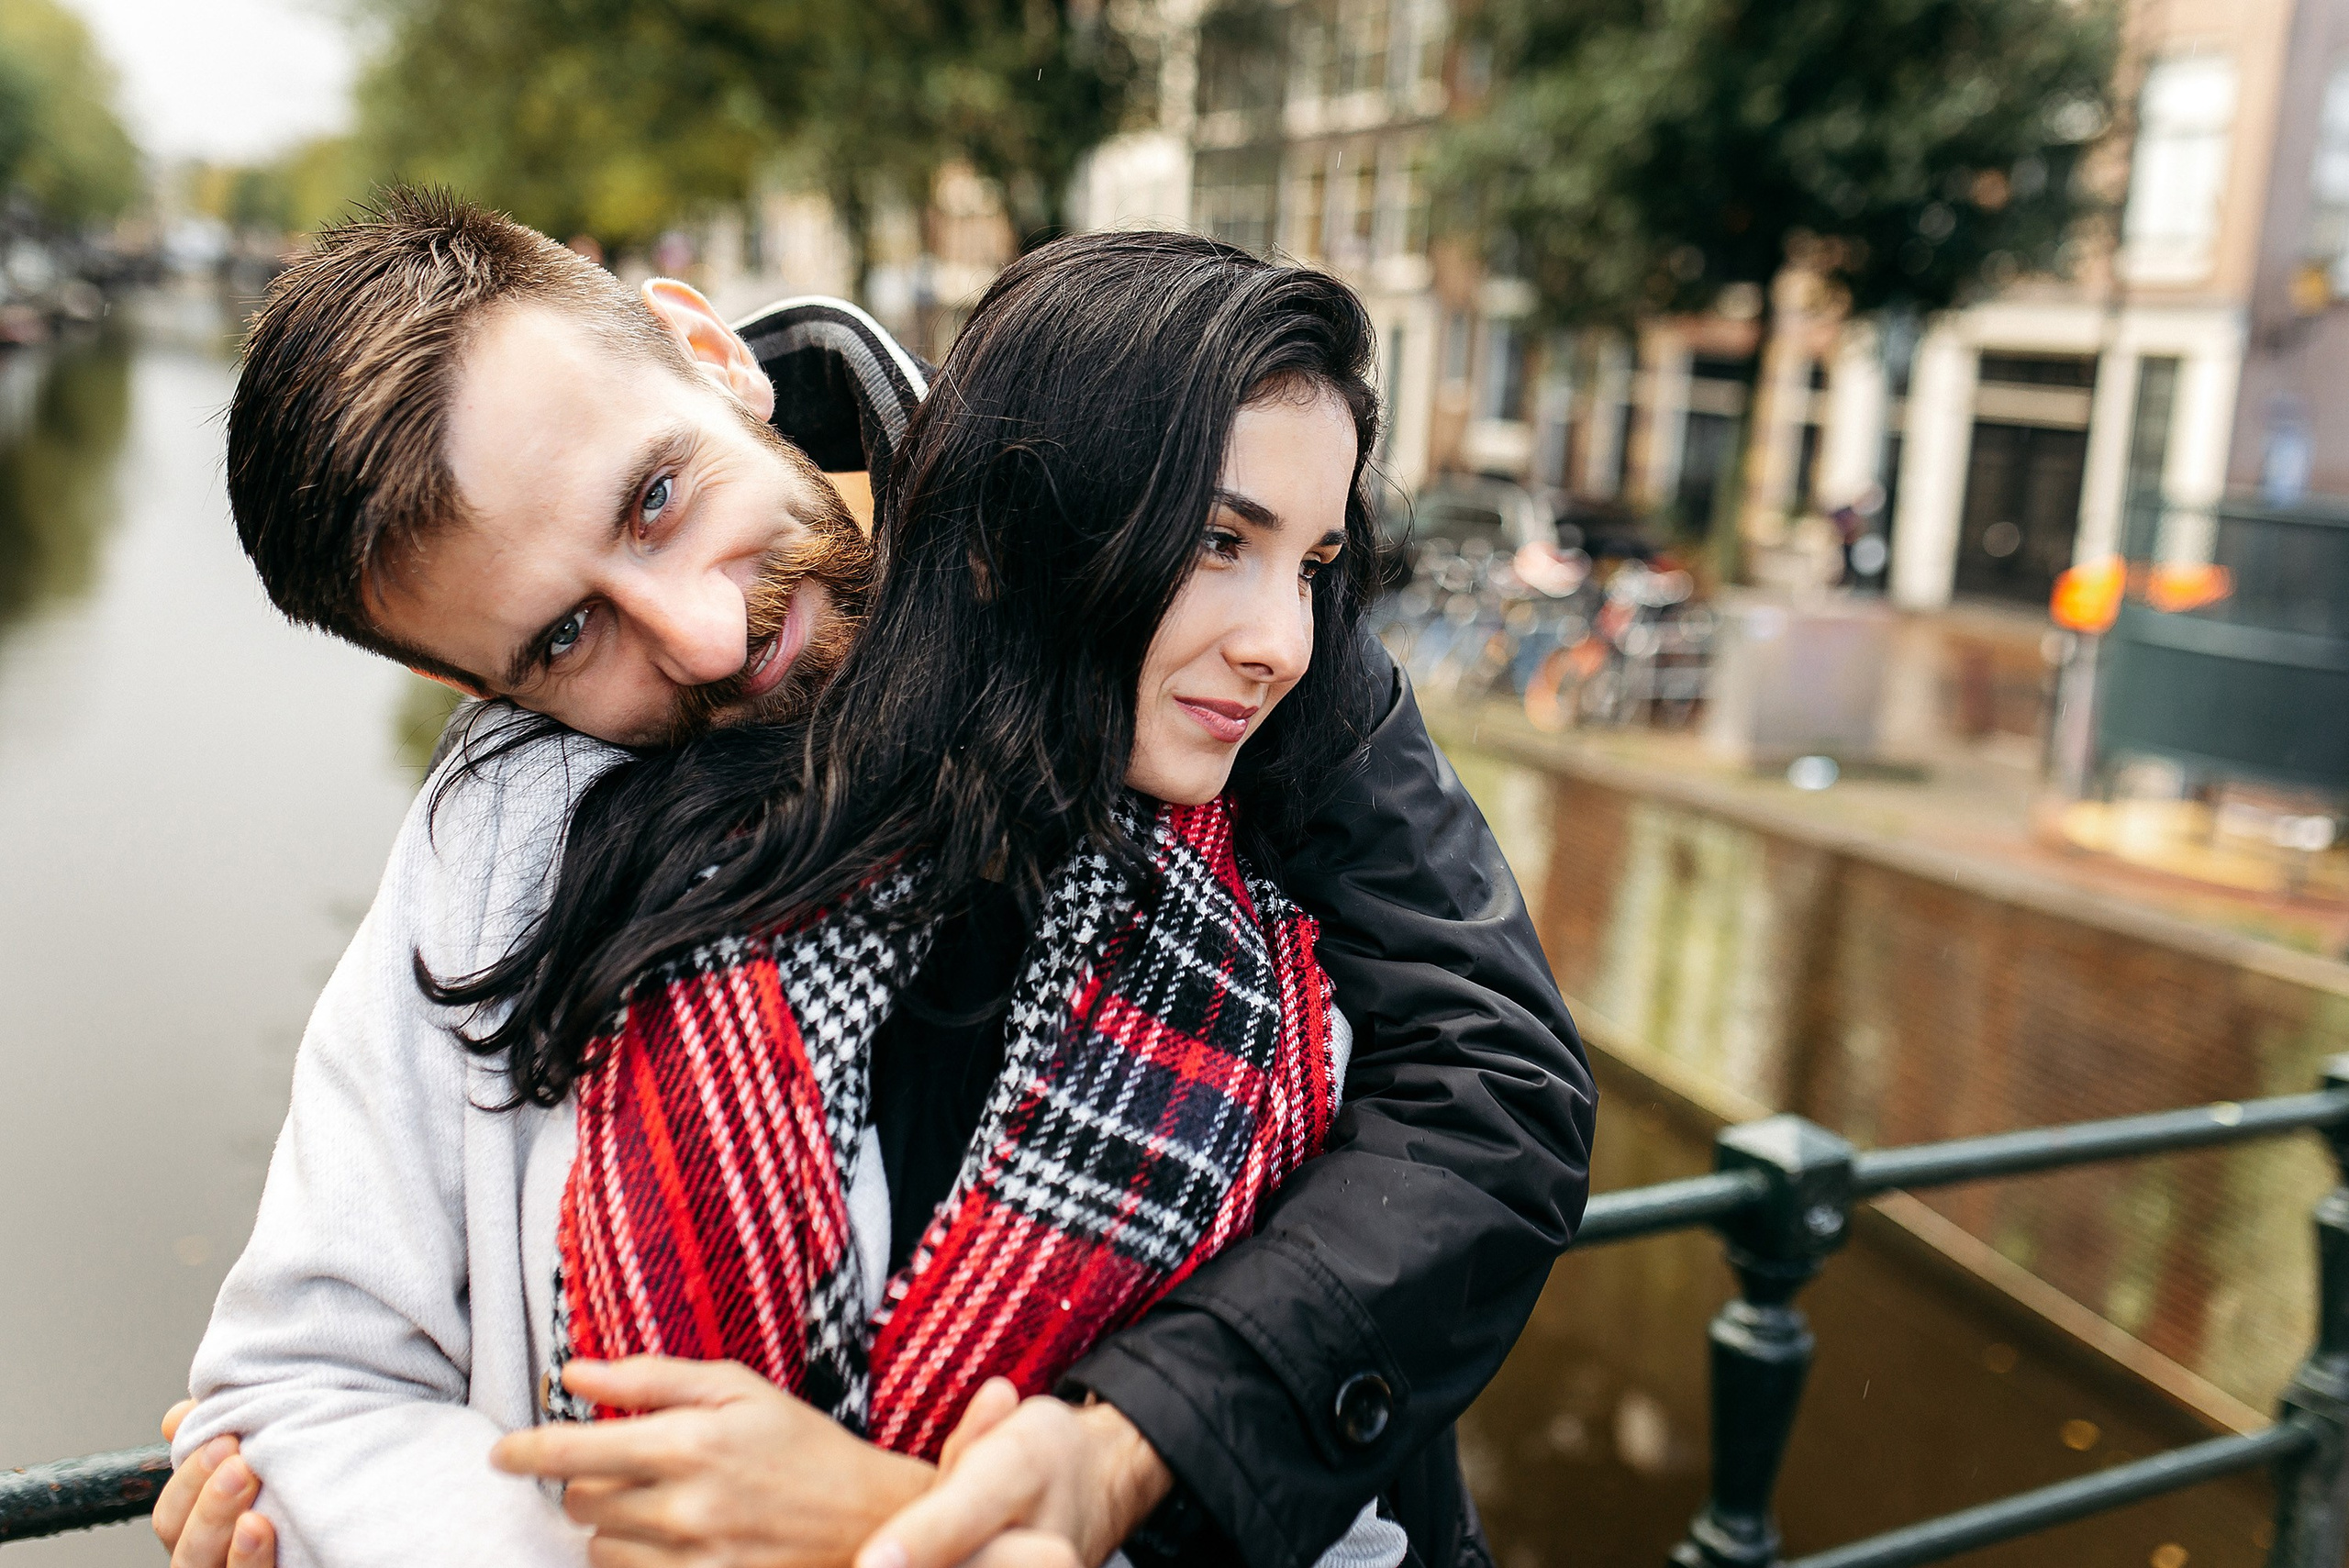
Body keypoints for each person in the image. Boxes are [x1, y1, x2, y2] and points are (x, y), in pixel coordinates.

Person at [156, 194, 1595, 1568]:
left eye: (659, 497)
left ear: (711, 354)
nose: (709, 637)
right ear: (469, 680)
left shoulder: (1150, 530)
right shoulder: (514, 826)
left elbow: (1490, 1083)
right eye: (564, 637)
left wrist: (1113, 1452)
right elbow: (291, 1404)